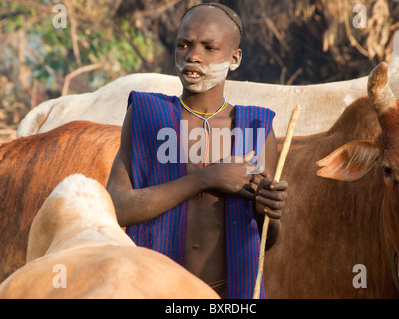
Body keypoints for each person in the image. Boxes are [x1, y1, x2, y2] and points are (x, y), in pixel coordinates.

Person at [106, 2, 288, 299]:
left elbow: (267, 240)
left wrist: (270, 212)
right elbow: (115, 209)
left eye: (209, 47)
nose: (193, 56)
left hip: (231, 294)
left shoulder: (256, 127)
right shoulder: (145, 115)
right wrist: (207, 177)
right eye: (184, 45)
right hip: (155, 290)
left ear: (234, 58)